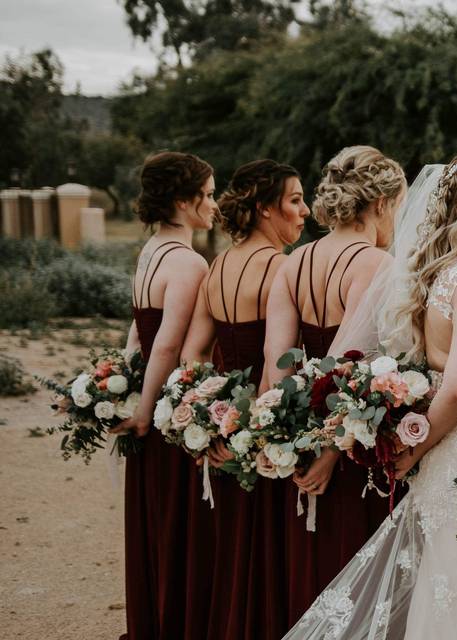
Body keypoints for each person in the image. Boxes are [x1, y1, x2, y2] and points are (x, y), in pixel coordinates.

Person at [284, 154, 457, 640]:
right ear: (453, 215)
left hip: (444, 460)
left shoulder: (444, 274)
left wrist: (419, 444)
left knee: (444, 587)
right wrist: (416, 445)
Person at [261, 146, 406, 626]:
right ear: (381, 204)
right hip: (348, 451)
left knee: (311, 564)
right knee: (353, 573)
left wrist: (276, 438)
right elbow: (345, 368)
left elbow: (275, 364)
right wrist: (327, 454)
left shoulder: (293, 262)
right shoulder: (376, 264)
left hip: (301, 442)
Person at [179, 158, 308, 638]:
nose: (305, 211)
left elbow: (192, 356)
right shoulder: (281, 266)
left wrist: (205, 424)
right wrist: (253, 431)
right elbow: (282, 363)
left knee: (234, 547)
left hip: (223, 432)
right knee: (269, 549)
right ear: (263, 209)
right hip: (268, 433)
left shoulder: (217, 267)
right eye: (294, 200)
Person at [114, 151, 215, 639]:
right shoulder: (189, 263)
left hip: (148, 398)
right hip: (168, 412)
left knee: (154, 520)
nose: (216, 205)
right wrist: (143, 411)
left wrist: (118, 382)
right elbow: (168, 345)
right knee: (179, 524)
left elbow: (137, 335)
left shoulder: (150, 251)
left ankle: (153, 622)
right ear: (183, 201)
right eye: (210, 195)